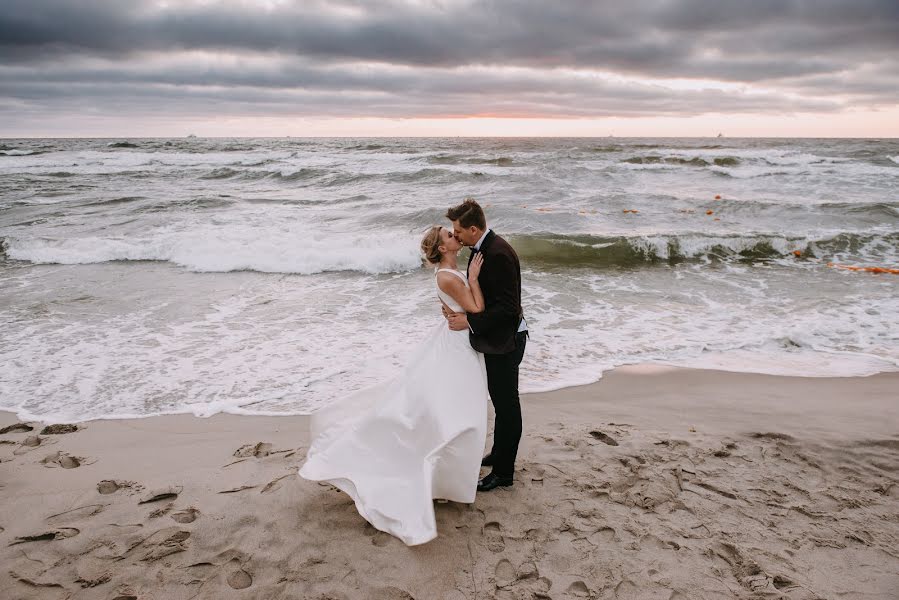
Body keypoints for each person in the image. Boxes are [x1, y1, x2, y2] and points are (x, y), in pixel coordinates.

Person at [299, 226, 489, 546]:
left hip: (459, 343)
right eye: (449, 235)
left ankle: (449, 480)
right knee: (459, 410)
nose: (455, 236)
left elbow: (467, 311)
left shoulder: (451, 270)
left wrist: (468, 280)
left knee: (456, 408)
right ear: (442, 248)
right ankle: (440, 477)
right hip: (458, 347)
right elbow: (477, 309)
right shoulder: (447, 276)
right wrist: (473, 279)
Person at [443, 198, 527, 492]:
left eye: (458, 231)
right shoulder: (482, 249)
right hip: (498, 339)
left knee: (507, 406)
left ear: (474, 229)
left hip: (507, 341)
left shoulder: (498, 254)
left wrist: (468, 322)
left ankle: (504, 473)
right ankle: (498, 454)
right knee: (501, 403)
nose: (456, 236)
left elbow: (507, 308)